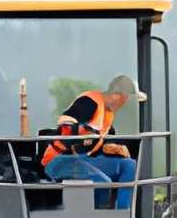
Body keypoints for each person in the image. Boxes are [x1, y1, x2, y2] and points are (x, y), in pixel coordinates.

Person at [40, 73, 147, 210]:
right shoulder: (90, 101)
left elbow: (96, 144)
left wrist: (111, 147)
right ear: (119, 95)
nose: (124, 102)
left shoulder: (108, 114)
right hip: (59, 160)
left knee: (129, 165)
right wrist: (84, 132)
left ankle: (123, 213)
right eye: (124, 98)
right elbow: (64, 124)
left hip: (85, 160)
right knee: (102, 182)